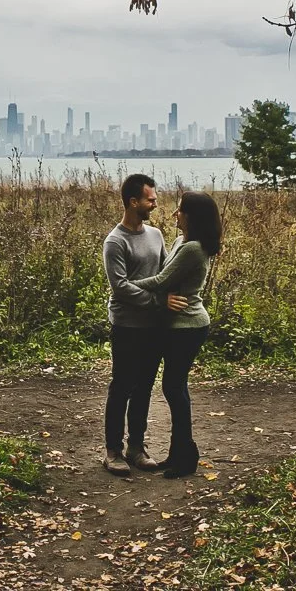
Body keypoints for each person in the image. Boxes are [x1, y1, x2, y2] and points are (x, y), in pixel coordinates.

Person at [133, 190, 219, 479]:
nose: (175, 214)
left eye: (180, 209)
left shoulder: (193, 248)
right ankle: (178, 453)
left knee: (174, 388)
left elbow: (161, 280)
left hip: (188, 325)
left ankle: (185, 455)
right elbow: (166, 278)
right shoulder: (181, 241)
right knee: (175, 388)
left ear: (192, 216)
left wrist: (124, 286)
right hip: (177, 325)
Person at [100, 173, 176, 476]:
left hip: (153, 326)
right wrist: (158, 302)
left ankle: (136, 447)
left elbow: (166, 272)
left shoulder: (155, 235)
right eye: (150, 199)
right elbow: (120, 287)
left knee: (144, 386)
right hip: (127, 326)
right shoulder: (115, 241)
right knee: (122, 386)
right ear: (133, 202)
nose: (155, 204)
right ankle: (113, 451)